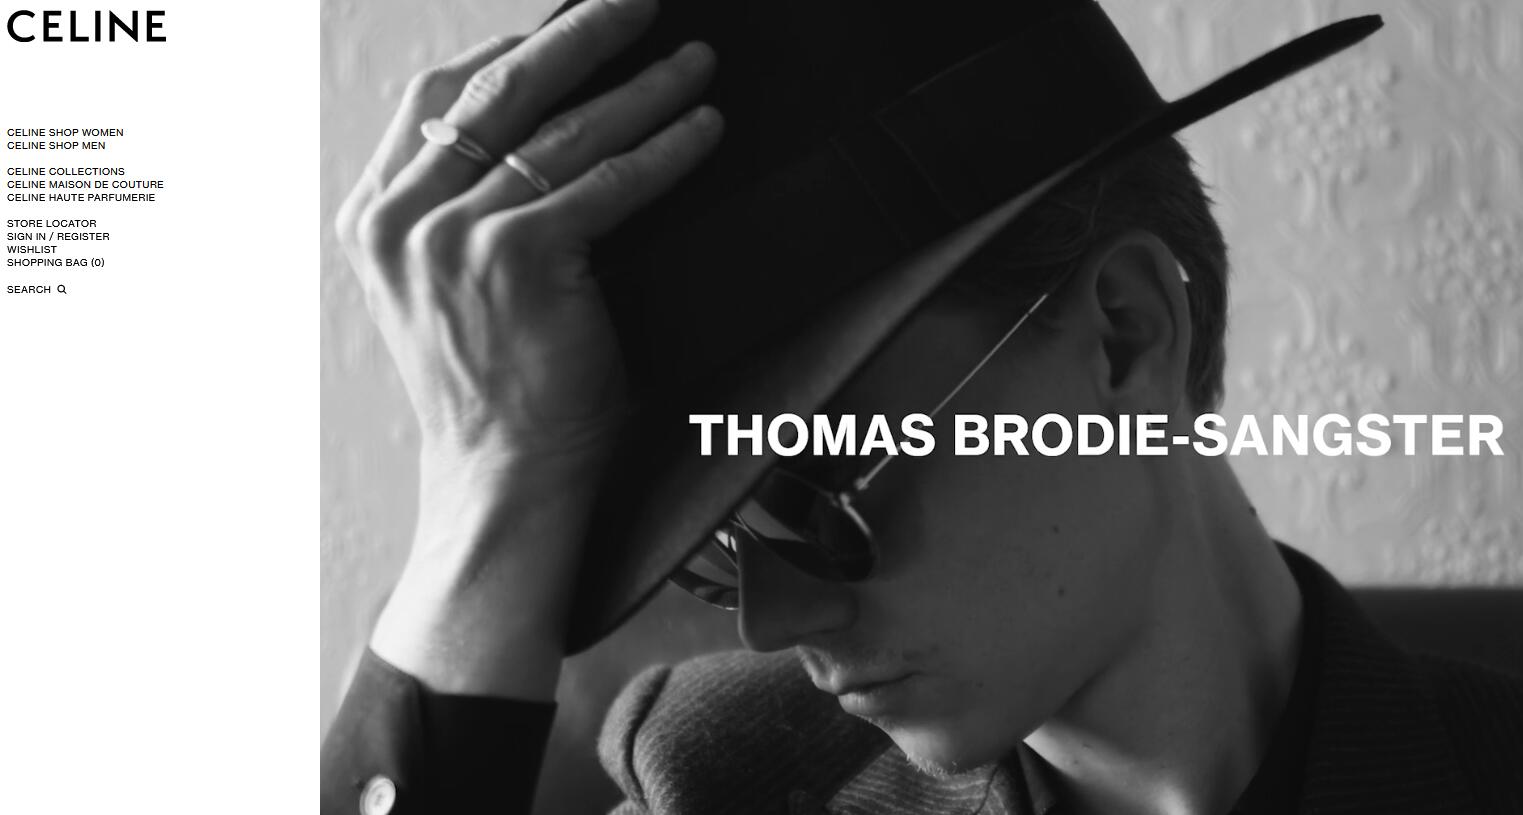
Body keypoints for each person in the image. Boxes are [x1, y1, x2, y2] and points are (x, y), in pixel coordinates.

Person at [321, 0, 1523, 812]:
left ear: (1124, 334)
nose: (771, 623)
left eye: (809, 490)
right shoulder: (724, 778)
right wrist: (484, 486)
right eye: (712, 553)